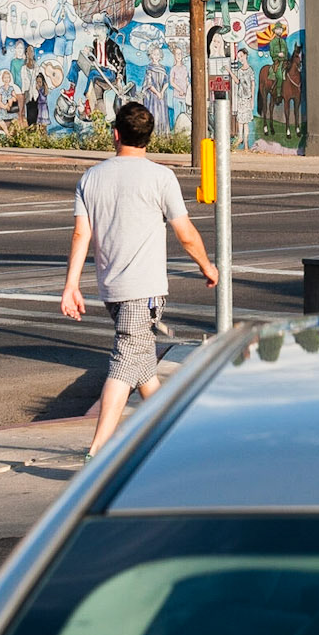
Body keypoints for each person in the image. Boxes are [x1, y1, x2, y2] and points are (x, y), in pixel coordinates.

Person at [61, 100, 217, 459]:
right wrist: (207, 266)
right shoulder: (161, 177)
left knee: (142, 367)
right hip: (144, 290)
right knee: (124, 364)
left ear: (116, 134)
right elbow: (186, 234)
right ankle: (99, 452)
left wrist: (72, 285)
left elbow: (81, 235)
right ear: (149, 138)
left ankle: (174, 441)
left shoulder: (91, 178)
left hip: (112, 291)